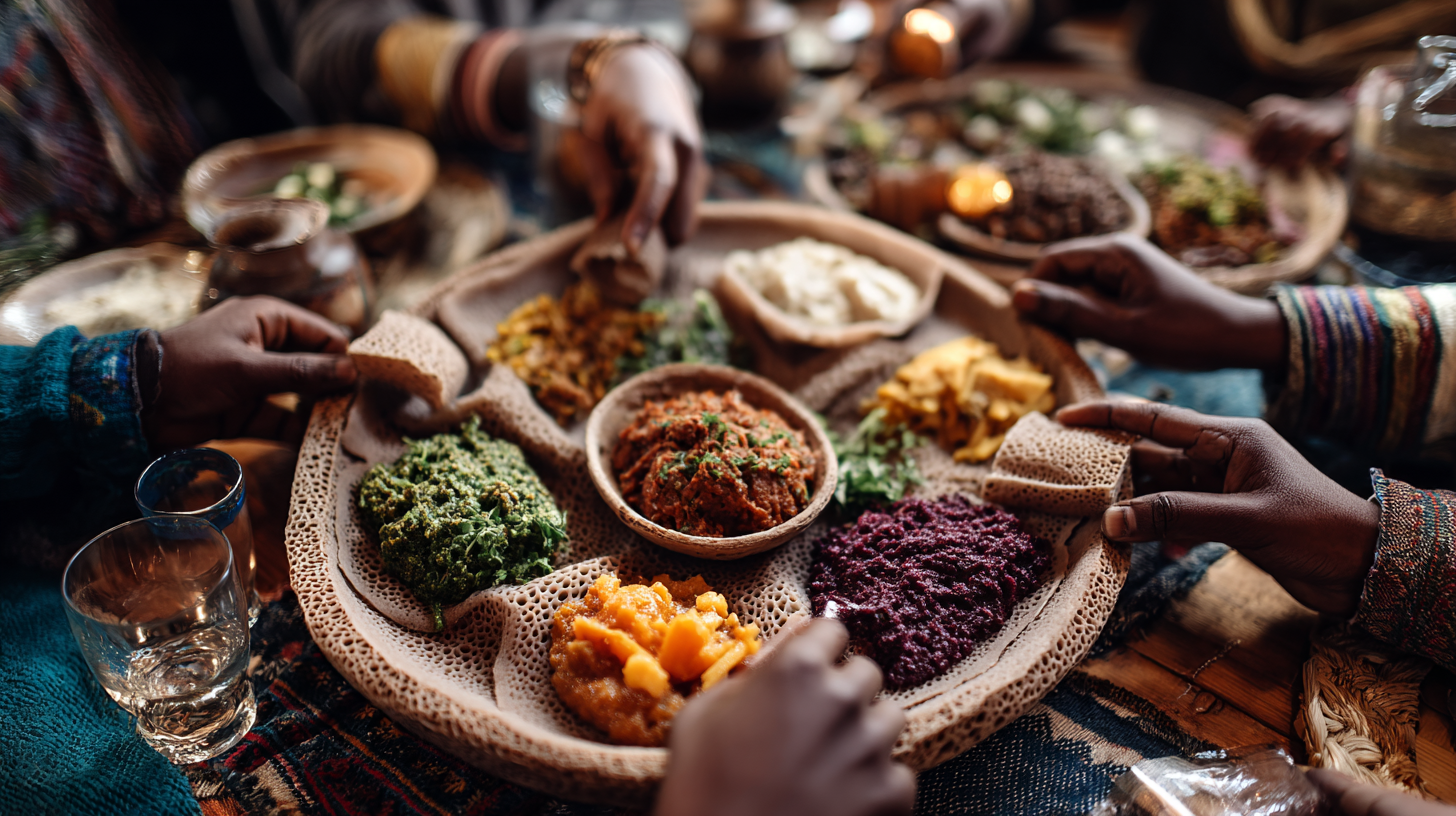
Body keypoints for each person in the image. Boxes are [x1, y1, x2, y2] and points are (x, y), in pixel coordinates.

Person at [1, 0, 704, 261]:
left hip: (584, 167)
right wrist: (580, 61)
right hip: (409, 198)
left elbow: (664, 18)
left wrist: (650, 61)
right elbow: (336, 47)